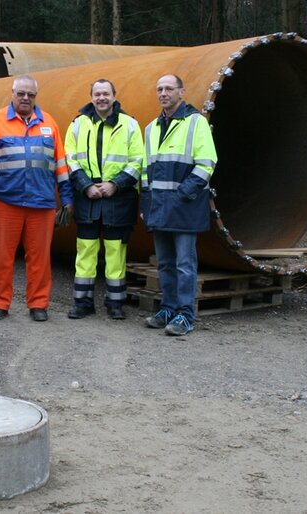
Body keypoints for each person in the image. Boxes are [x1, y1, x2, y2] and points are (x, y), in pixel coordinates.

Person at [0, 75, 74, 322]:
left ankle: (38, 304)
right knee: (2, 257)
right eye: (21, 94)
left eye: (30, 95)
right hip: (4, 202)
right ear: (13, 93)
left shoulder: (49, 124)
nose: (26, 98)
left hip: (41, 203)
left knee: (40, 258)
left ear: (35, 96)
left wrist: (68, 197)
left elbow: (60, 164)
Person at [140, 74, 218, 336]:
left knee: (185, 263)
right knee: (164, 263)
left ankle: (185, 315)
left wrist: (181, 195)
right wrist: (146, 201)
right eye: (159, 88)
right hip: (159, 208)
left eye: (169, 89)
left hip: (184, 207)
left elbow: (207, 164)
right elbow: (145, 170)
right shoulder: (151, 128)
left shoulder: (196, 123)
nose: (163, 93)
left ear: (181, 92)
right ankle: (167, 309)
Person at [64, 79, 145, 321]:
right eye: (97, 94)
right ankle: (83, 302)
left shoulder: (129, 124)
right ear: (91, 97)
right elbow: (70, 158)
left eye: (106, 94)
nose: (102, 98)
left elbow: (138, 161)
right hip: (87, 197)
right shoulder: (77, 124)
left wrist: (115, 184)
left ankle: (115, 303)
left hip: (118, 199)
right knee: (85, 250)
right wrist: (85, 186)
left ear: (114, 96)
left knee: (115, 252)